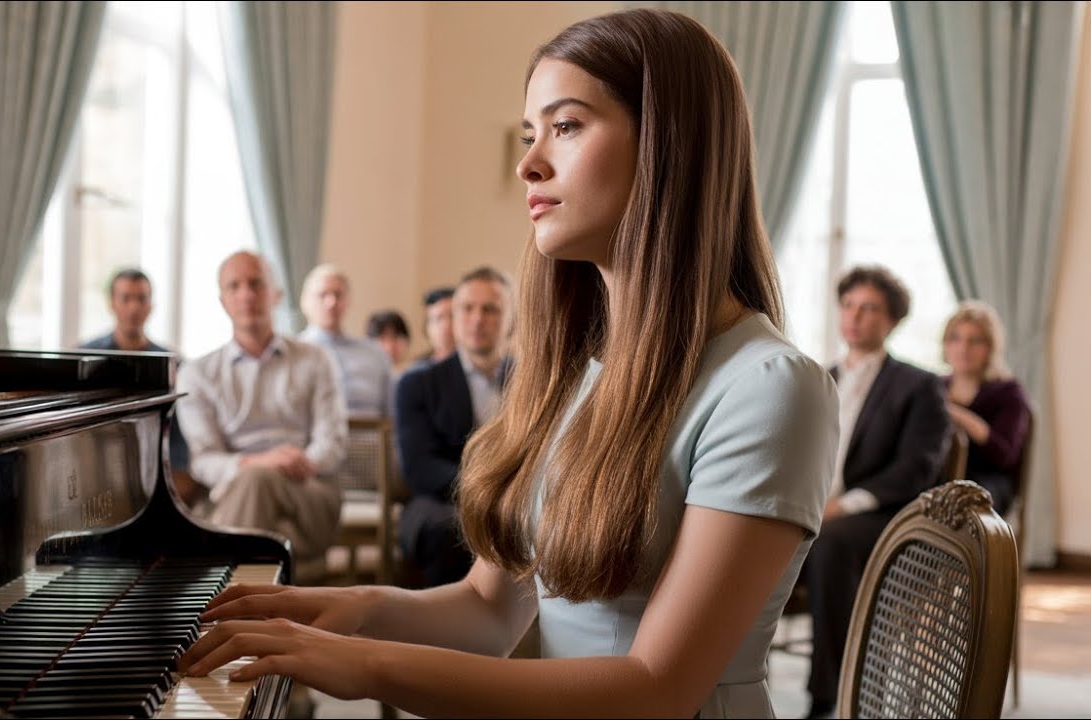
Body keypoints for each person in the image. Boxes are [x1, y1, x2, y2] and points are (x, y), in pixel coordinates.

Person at [178, 10, 839, 718]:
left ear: (670, 146)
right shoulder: (572, 372)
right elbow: (489, 611)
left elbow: (657, 688)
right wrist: (349, 607)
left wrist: (364, 664)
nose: (528, 163)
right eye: (531, 134)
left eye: (567, 126)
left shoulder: (769, 388)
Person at [802, 265, 952, 718]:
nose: (855, 317)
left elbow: (916, 469)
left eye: (869, 309)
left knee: (829, 543)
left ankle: (825, 696)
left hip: (880, 515)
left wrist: (840, 506)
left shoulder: (919, 385)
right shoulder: (815, 377)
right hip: (812, 508)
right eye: (849, 306)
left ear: (892, 321)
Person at [174, 251, 347, 570]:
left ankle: (210, 590)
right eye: (234, 286)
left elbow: (332, 444)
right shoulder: (196, 374)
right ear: (223, 300)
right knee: (261, 505)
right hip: (234, 497)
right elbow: (203, 460)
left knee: (256, 481)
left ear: (276, 294)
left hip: (309, 493)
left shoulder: (316, 359)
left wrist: (290, 465)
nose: (247, 295)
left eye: (256, 283)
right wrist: (260, 463)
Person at [393, 266, 514, 588]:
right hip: (441, 499)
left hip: (519, 496)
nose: (478, 319)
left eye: (490, 309)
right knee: (446, 528)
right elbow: (420, 467)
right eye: (467, 308)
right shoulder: (417, 384)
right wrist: (486, 491)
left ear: (511, 320)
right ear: (454, 318)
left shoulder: (535, 382)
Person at [78, 268, 192, 497]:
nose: (134, 307)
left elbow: (180, 428)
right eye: (126, 298)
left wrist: (179, 474)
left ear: (151, 305)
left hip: (157, 468)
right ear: (112, 303)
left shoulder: (172, 363)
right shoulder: (85, 357)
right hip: (95, 467)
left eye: (141, 298)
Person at [941, 300, 1031, 515]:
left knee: (961, 508)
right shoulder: (935, 387)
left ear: (990, 348)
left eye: (975, 341)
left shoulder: (1008, 392)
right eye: (955, 338)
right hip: (940, 477)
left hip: (987, 483)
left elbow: (1004, 455)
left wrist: (958, 414)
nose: (963, 348)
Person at [298, 264, 392, 418]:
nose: (331, 302)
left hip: (372, 437)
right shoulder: (294, 354)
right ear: (305, 302)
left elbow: (391, 414)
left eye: (338, 294)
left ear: (348, 301)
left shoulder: (375, 353)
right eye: (323, 295)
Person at [411, 286, 456, 368]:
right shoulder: (417, 370)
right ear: (427, 327)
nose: (446, 324)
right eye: (438, 318)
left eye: (452, 316)